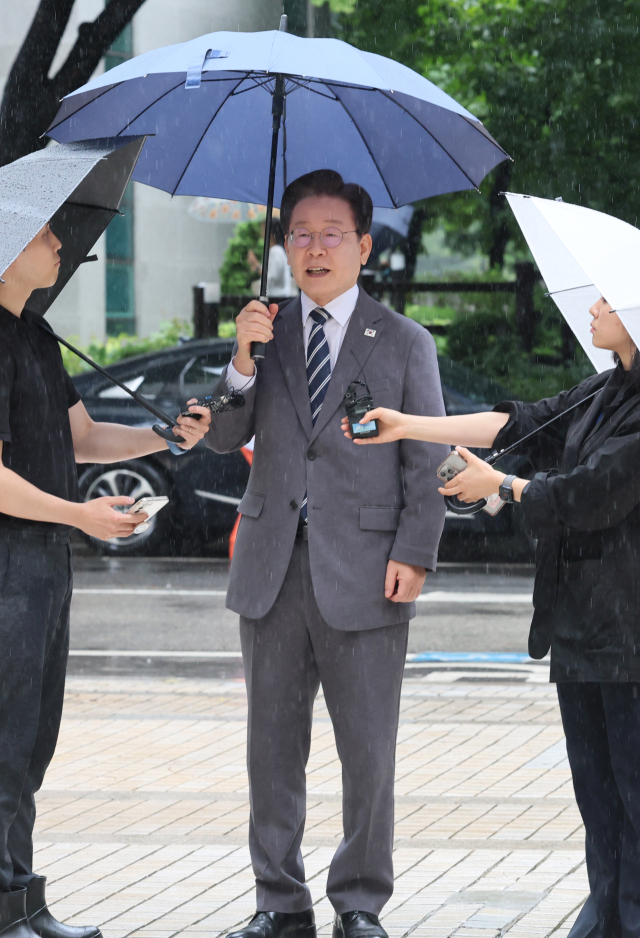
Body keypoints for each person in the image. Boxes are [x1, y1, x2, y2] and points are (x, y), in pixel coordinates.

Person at [343, 294, 640, 938]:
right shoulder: (606, 387)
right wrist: (411, 425)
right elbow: (522, 424)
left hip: (632, 633)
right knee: (599, 798)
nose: (592, 307)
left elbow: (591, 496)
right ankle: (607, 914)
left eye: (609, 298)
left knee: (635, 796)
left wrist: (501, 487)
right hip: (581, 627)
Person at [205, 169, 448, 938]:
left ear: (363, 246)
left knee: (367, 751)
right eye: (299, 234)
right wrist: (240, 362)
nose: (314, 248)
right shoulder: (263, 333)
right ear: (283, 246)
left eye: (330, 234)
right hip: (272, 566)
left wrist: (417, 550)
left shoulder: (405, 342)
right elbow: (221, 435)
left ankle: (360, 901)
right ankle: (279, 902)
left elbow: (430, 459)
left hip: (370, 570)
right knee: (270, 750)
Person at [0, 222, 212, 938]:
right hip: (9, 563)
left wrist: (165, 435)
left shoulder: (33, 331)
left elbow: (84, 437)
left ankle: (22, 900)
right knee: (4, 738)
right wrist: (78, 514)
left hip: (47, 562)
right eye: (45, 232)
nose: (61, 242)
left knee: (33, 738)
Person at [247, 221, 295, 298]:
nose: (261, 234)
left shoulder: (276, 251)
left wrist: (255, 264)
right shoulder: (279, 250)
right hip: (279, 297)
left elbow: (270, 276)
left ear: (271, 234)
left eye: (263, 230)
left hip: (277, 298)